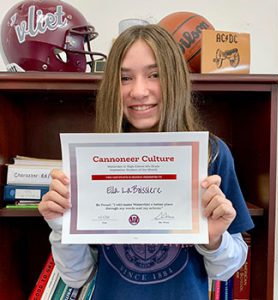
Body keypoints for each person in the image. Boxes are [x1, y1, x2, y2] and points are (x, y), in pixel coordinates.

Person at [39, 24, 254, 300]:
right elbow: (77, 275)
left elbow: (224, 271)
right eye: (125, 78)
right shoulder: (90, 159)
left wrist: (213, 239)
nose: (139, 91)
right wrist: (60, 225)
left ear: (175, 79)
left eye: (154, 75)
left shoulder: (211, 154)